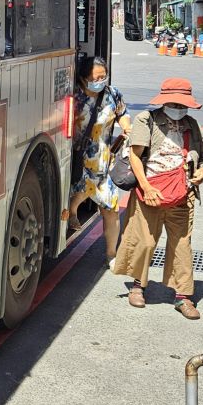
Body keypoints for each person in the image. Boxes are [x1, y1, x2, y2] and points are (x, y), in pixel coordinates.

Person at [113, 78, 203, 320]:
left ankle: (183, 297)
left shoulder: (191, 124)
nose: (179, 107)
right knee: (144, 240)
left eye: (183, 103)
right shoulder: (147, 119)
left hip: (182, 193)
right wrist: (146, 188)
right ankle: (138, 286)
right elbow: (135, 157)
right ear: (165, 100)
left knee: (182, 245)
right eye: (175, 102)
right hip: (150, 191)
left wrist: (200, 174)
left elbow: (202, 160)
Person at [65, 56, 130, 265]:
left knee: (110, 208)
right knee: (80, 191)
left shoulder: (112, 94)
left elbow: (122, 112)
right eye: (96, 78)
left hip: (103, 158)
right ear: (84, 79)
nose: (101, 81)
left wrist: (127, 127)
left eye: (104, 76)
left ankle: (111, 253)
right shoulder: (73, 96)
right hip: (77, 157)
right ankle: (73, 209)